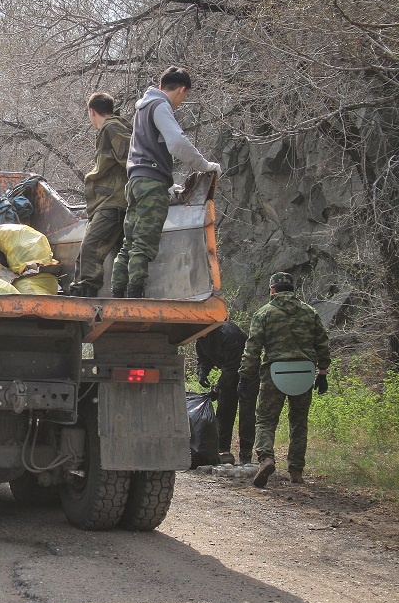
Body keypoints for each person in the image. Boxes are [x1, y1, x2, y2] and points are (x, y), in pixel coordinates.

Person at [111, 67, 221, 298]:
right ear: (181, 90)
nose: (181, 102)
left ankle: (117, 293)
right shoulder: (160, 106)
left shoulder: (142, 108)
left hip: (135, 181)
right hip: (151, 184)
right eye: (185, 96)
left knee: (129, 242)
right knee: (144, 243)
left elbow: (144, 149)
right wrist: (204, 165)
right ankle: (135, 295)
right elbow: (177, 143)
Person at [237, 272, 331, 488]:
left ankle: (266, 459)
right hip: (305, 373)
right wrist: (323, 372)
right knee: (299, 423)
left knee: (265, 420)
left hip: (275, 373)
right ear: (292, 290)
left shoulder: (264, 313)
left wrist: (244, 375)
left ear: (272, 289)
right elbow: (322, 343)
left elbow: (253, 347)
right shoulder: (310, 312)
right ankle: (296, 471)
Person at [69, 92, 131, 298]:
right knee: (118, 251)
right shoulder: (115, 127)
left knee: (90, 247)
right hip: (116, 201)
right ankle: (121, 292)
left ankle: (86, 292)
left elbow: (131, 157)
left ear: (92, 111)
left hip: (112, 202)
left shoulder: (111, 128)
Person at [196, 321, 251, 464]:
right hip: (229, 373)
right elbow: (204, 358)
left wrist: (218, 387)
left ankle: (246, 455)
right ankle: (223, 451)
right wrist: (202, 373)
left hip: (248, 373)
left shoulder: (228, 333)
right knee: (224, 411)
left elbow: (232, 365)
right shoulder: (201, 337)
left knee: (246, 413)